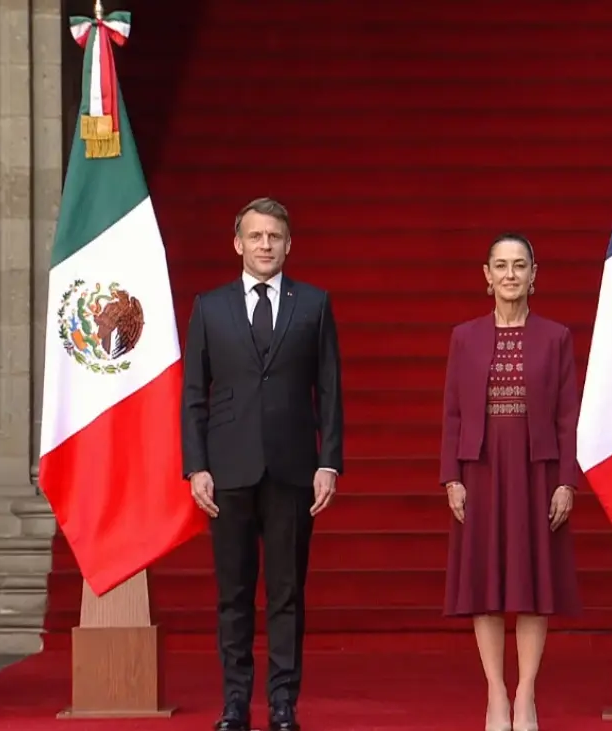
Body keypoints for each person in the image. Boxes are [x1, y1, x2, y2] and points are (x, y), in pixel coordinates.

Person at [181, 197, 344, 731]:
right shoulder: (210, 307)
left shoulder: (314, 304)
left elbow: (330, 390)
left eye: (274, 236)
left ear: (288, 244)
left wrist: (329, 463)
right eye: (256, 236)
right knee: (232, 595)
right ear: (238, 243)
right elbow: (193, 397)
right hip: (226, 472)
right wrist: (196, 466)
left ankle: (281, 703)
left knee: (286, 592)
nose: (265, 245)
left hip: (294, 469)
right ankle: (234, 702)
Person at [440, 233, 583, 731]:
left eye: (519, 265)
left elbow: (568, 416)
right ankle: (496, 695)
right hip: (479, 470)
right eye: (500, 266)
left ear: (534, 274)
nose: (509, 275)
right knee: (484, 584)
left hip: (536, 469)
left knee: (532, 583)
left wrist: (567, 481)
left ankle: (526, 696)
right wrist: (450, 478)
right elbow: (453, 412)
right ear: (486, 275)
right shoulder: (465, 337)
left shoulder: (556, 336)